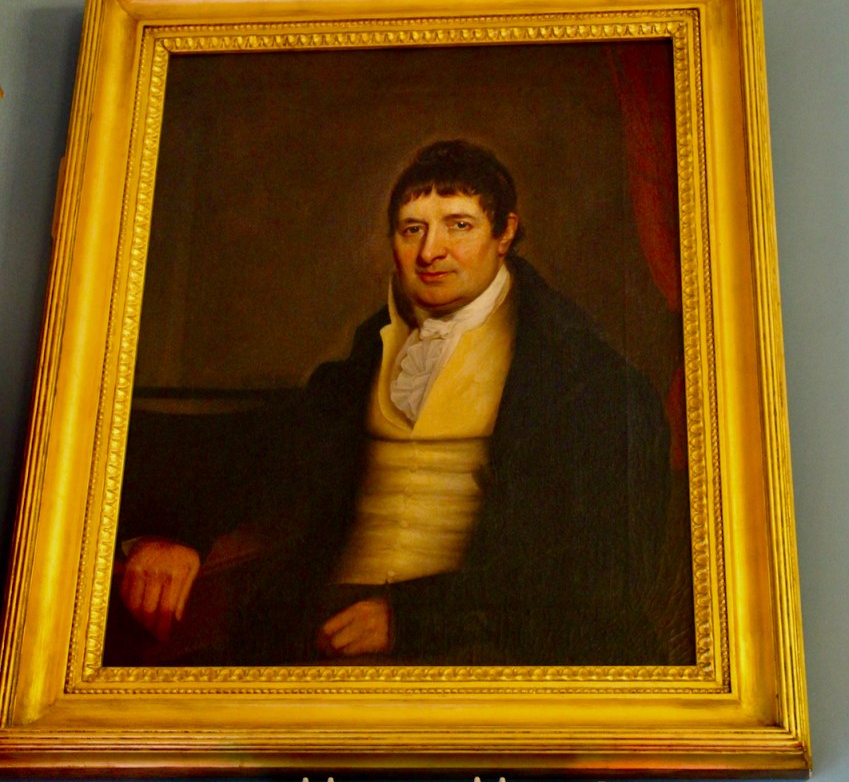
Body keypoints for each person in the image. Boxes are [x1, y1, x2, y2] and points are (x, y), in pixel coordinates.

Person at [118, 139, 677, 665]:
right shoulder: (377, 346)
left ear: (504, 232)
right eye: (413, 229)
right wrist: (182, 531)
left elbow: (596, 580)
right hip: (330, 629)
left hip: (485, 652)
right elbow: (272, 447)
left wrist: (411, 619)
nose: (430, 252)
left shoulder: (587, 379)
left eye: (459, 225)